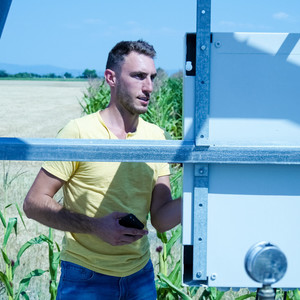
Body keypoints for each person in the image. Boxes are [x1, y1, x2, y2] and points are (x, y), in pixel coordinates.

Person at [23, 40, 181, 300]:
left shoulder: (155, 137)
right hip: (86, 278)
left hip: (141, 277)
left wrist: (200, 197)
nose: (149, 87)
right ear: (111, 78)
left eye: (152, 77)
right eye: (138, 76)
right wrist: (96, 227)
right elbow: (34, 203)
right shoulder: (79, 132)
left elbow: (161, 218)